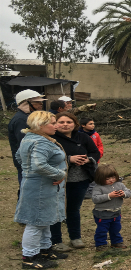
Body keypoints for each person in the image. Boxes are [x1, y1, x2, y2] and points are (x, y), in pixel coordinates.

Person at [14, 111, 68, 269]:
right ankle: (29, 257)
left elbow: (19, 157)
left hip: (40, 185)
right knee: (35, 222)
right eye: (53, 123)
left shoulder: (30, 138)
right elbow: (39, 165)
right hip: (39, 187)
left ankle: (44, 250)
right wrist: (60, 174)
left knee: (44, 220)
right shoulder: (41, 142)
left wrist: (26, 172)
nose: (56, 126)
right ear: (41, 125)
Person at [50, 112, 101, 252]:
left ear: (75, 124)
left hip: (80, 179)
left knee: (73, 209)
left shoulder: (83, 136)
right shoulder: (51, 139)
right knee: (56, 210)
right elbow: (47, 159)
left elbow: (95, 152)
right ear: (55, 124)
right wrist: (69, 159)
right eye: (61, 122)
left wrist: (88, 160)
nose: (65, 125)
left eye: (69, 122)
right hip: (57, 180)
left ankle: (75, 237)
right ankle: (56, 240)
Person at [8, 89, 47, 195]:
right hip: (26, 162)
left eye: (41, 102)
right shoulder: (21, 120)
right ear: (26, 102)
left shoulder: (27, 117)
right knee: (27, 191)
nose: (41, 104)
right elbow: (25, 142)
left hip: (30, 160)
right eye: (37, 102)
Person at [92, 164, 131, 251]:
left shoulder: (119, 185)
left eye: (113, 177)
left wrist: (124, 194)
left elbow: (129, 192)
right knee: (102, 230)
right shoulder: (98, 188)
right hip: (102, 214)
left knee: (116, 228)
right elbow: (95, 199)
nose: (111, 180)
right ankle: (101, 244)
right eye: (107, 179)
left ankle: (116, 242)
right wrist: (109, 196)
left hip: (116, 212)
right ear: (100, 178)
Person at [79, 117, 104, 199]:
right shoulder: (78, 135)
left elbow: (100, 145)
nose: (93, 125)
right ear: (83, 125)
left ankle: (91, 191)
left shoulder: (95, 135)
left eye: (93, 123)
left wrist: (99, 154)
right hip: (82, 159)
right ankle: (84, 191)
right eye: (90, 124)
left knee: (94, 174)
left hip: (94, 159)